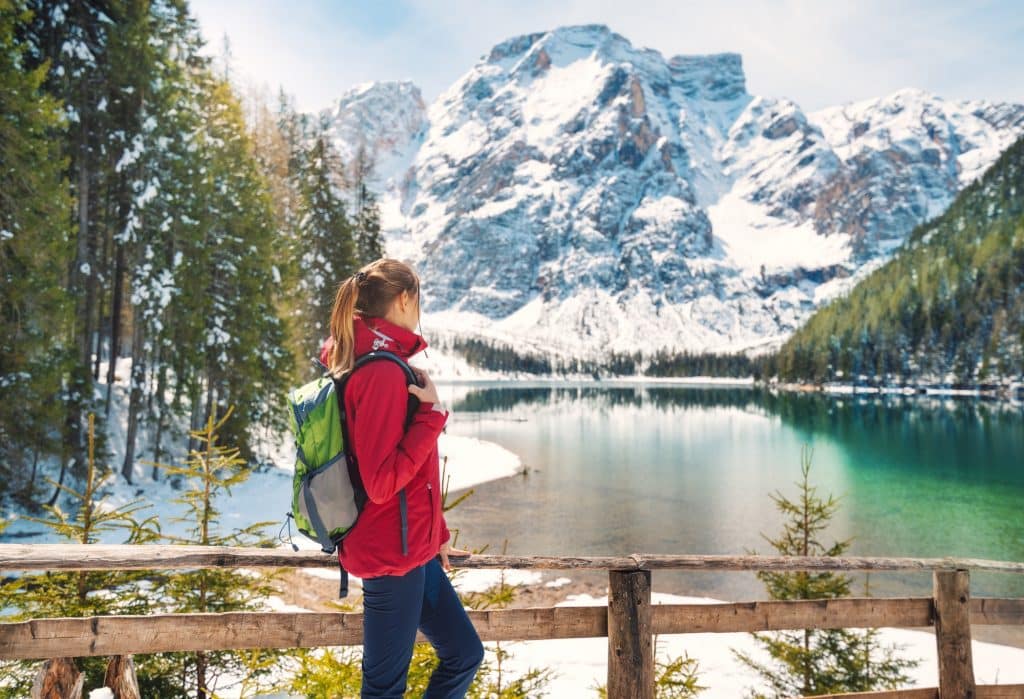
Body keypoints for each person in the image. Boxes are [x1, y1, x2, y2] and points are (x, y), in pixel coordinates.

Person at [321, 257, 483, 698]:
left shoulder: (383, 361)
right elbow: (381, 481)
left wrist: (437, 534)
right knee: (383, 690)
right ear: (405, 298)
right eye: (419, 299)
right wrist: (431, 416)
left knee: (465, 653)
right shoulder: (378, 372)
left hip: (414, 548)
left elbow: (412, 476)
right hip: (390, 553)